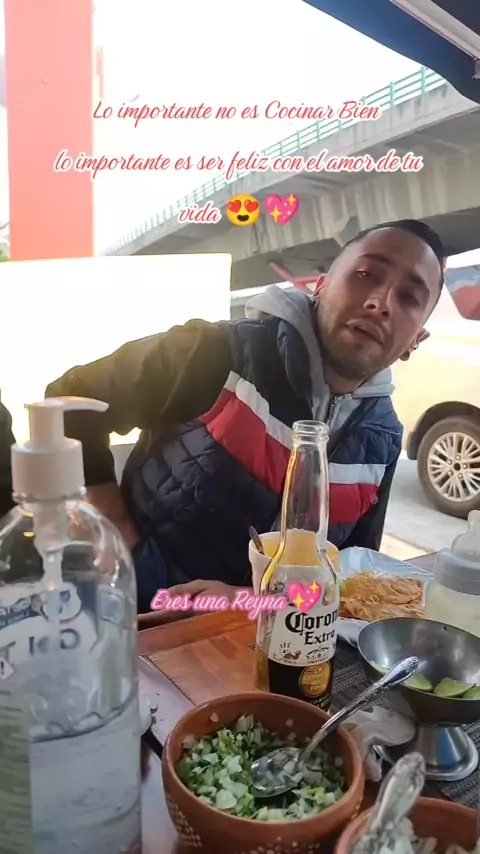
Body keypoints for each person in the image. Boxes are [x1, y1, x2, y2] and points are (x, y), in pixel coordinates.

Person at [45, 219, 444, 612]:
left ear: (416, 338)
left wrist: (247, 603)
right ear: (320, 286)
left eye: (410, 297)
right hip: (133, 615)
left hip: (263, 641)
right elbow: (71, 398)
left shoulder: (383, 439)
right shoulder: (217, 351)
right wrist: (113, 526)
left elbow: (348, 574)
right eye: (365, 274)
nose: (381, 303)